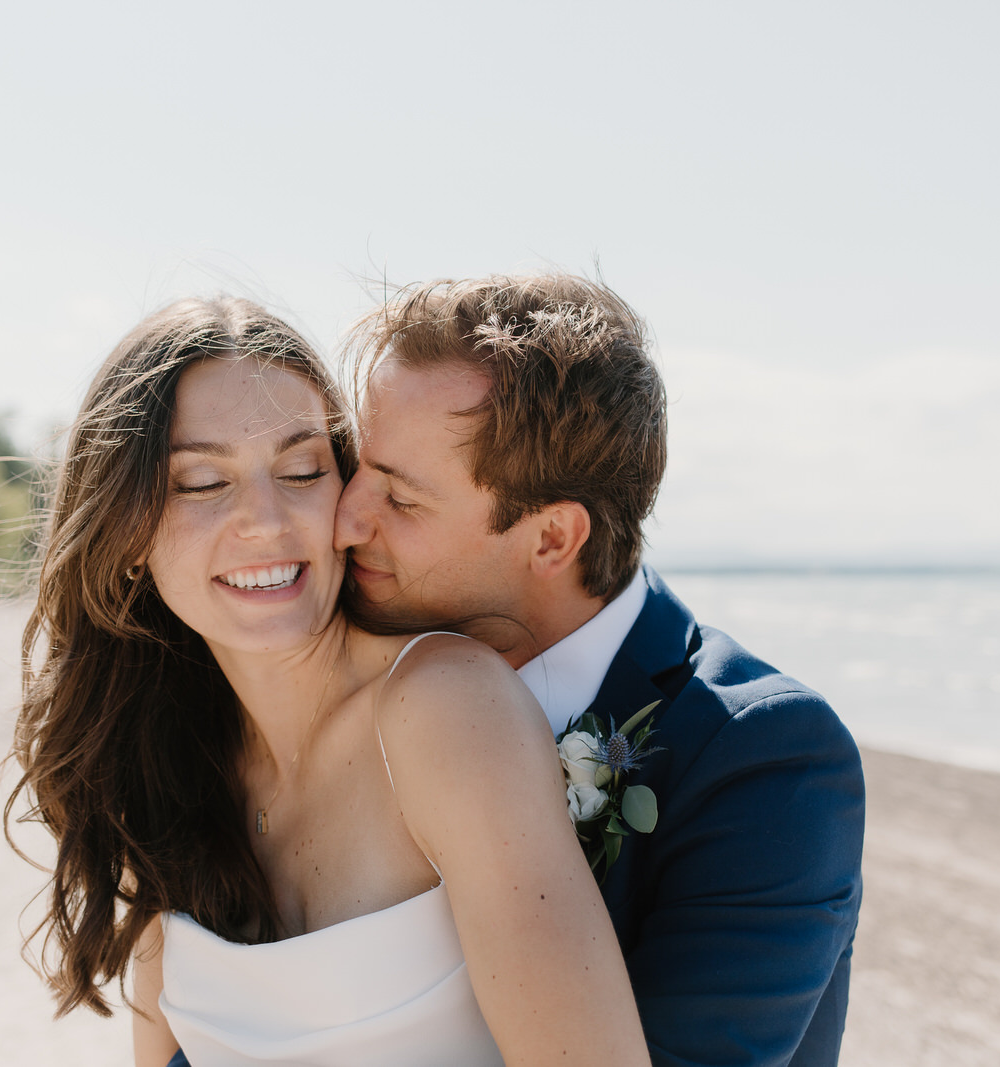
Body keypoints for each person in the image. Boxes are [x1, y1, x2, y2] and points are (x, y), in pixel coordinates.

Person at [6, 297, 651, 1067]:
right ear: (126, 533)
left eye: (303, 469)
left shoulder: (444, 706)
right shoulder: (168, 762)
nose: (266, 519)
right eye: (203, 482)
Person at [334, 274, 866, 1066]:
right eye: (356, 465)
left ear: (552, 539)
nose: (346, 519)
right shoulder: (347, 677)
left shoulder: (766, 760)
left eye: (401, 500)